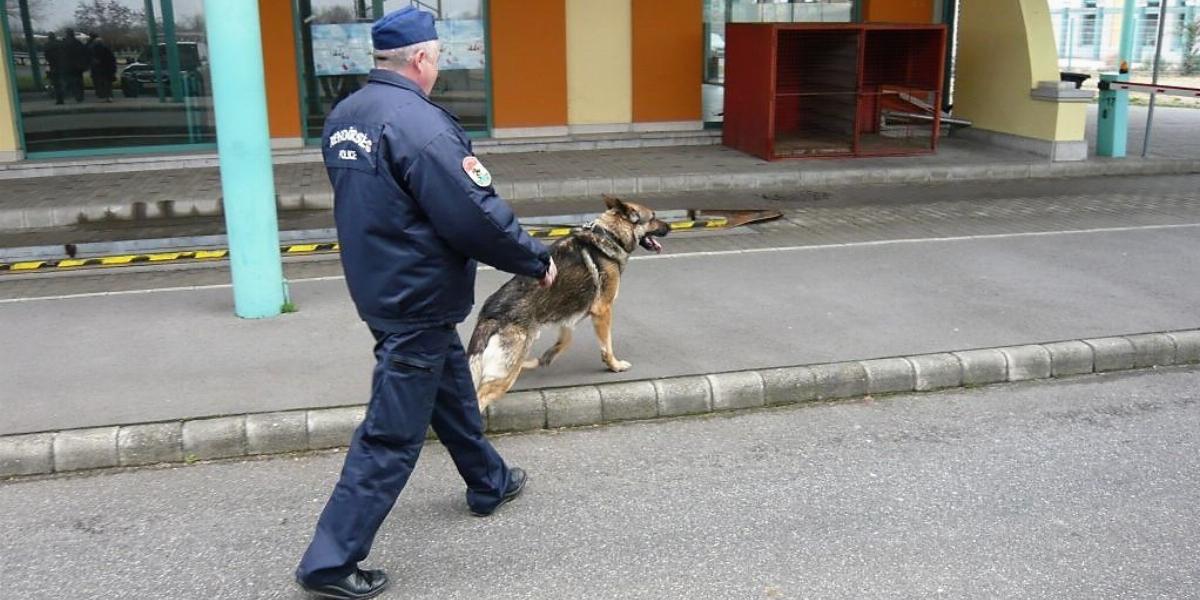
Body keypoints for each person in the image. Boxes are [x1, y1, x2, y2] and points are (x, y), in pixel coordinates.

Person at [294, 6, 557, 600]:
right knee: (391, 434)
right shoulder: (421, 125)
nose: (438, 67)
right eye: (437, 57)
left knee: (449, 387)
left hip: (384, 285)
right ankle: (330, 562)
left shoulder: (346, 116)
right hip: (416, 293)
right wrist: (533, 258)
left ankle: (488, 480)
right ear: (420, 59)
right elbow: (472, 213)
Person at [88, 35, 117, 102]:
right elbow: (112, 60)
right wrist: (113, 69)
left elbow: (91, 59)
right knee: (108, 84)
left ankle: (102, 95)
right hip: (107, 69)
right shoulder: (107, 49)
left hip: (98, 69)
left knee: (100, 84)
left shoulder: (92, 49)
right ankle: (109, 96)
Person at [62, 28, 88, 102]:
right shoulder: (78, 43)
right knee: (79, 81)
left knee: (70, 80)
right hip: (78, 66)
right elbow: (84, 53)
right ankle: (80, 96)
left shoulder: (64, 43)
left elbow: (62, 55)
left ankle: (73, 94)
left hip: (68, 66)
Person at [43, 32, 66, 105]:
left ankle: (59, 99)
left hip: (53, 66)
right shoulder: (60, 43)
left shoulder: (47, 45)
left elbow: (46, 56)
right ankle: (62, 96)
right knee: (61, 81)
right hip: (62, 65)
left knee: (55, 83)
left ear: (49, 37)